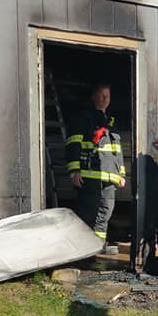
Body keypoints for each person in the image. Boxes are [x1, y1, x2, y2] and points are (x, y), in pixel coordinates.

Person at [65, 84, 125, 241]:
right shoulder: (84, 117)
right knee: (88, 214)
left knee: (105, 213)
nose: (105, 99)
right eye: (102, 95)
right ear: (94, 97)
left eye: (108, 96)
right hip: (89, 176)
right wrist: (74, 171)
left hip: (110, 178)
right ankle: (83, 249)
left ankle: (97, 246)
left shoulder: (110, 122)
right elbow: (73, 144)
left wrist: (121, 174)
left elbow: (117, 150)